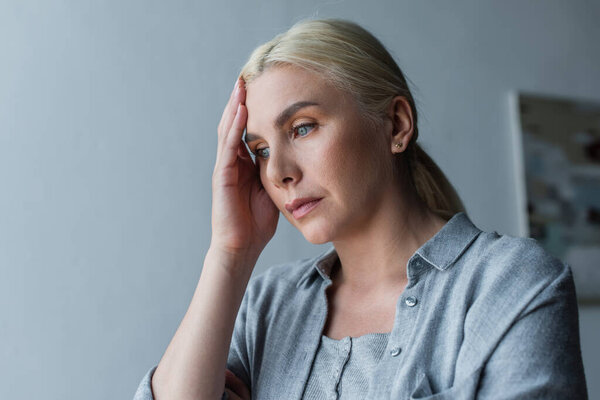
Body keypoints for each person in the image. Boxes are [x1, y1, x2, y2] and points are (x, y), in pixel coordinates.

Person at [134, 19, 587, 399]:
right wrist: (230, 253)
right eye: (262, 150)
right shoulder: (270, 304)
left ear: (396, 124)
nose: (279, 173)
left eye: (303, 128)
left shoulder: (512, 284)